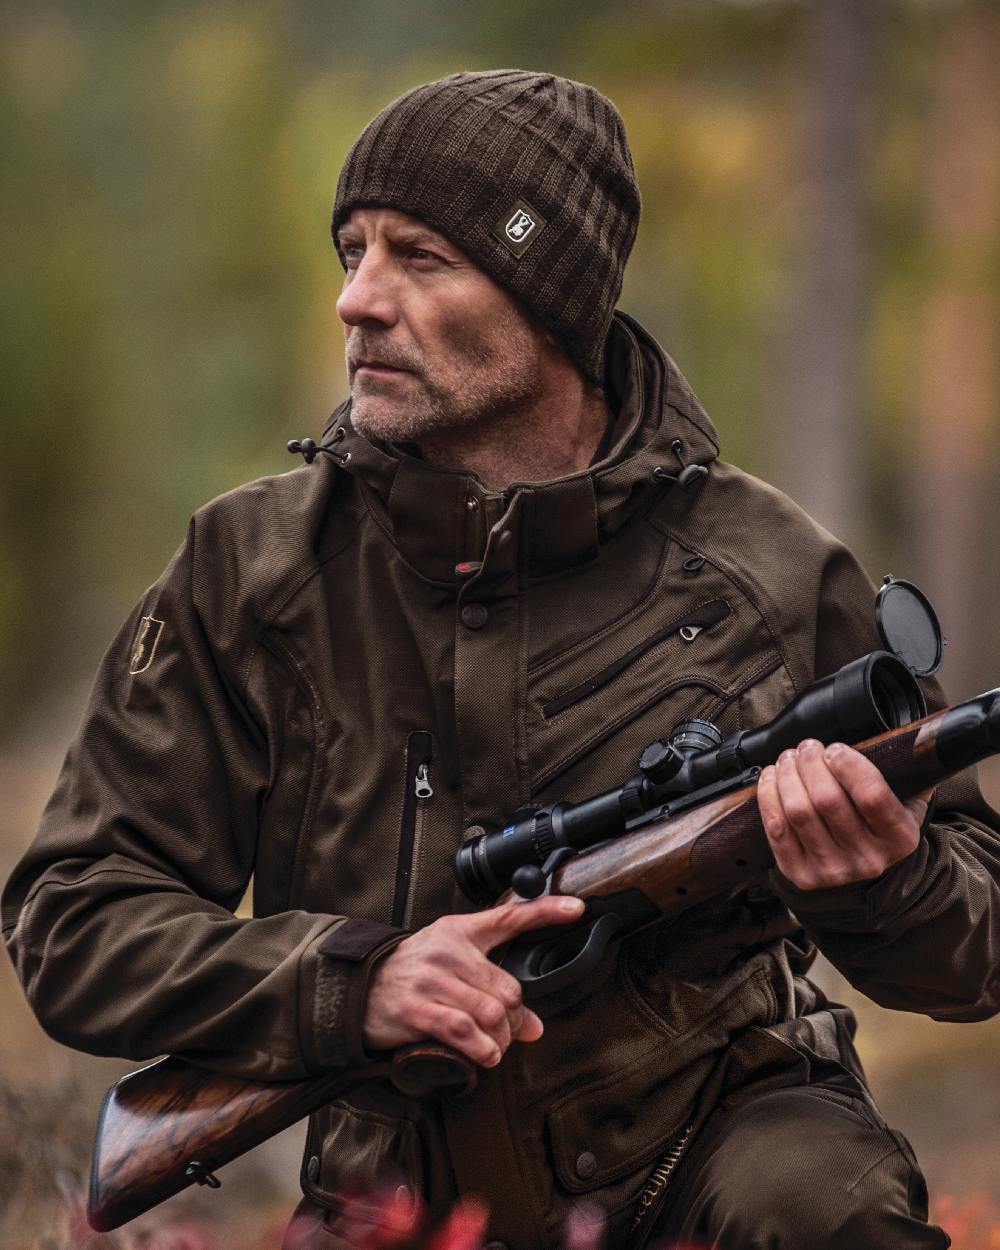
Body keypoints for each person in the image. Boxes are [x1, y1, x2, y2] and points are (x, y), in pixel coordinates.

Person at [4, 70, 999, 1250]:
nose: (356, 301)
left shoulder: (769, 568)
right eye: (351, 249)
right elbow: (75, 916)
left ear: (551, 301)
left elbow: (975, 940)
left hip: (714, 1154)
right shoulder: (253, 567)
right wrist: (347, 984)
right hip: (393, 1194)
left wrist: (879, 879)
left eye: (420, 257)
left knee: (820, 1202)